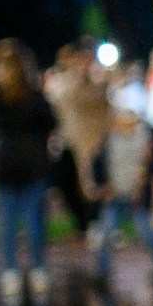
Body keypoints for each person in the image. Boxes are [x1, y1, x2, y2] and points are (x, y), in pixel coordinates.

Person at [0, 38, 59, 306]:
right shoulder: (34, 96)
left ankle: (10, 271)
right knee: (34, 219)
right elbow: (50, 123)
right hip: (33, 160)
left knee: (9, 220)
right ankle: (37, 269)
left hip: (6, 162)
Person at [92, 96, 153, 282]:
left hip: (136, 197)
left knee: (147, 233)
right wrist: (104, 187)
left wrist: (142, 188)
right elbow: (99, 165)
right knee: (105, 232)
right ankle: (102, 271)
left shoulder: (144, 141)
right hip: (115, 195)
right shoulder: (109, 141)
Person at [47, 44, 110, 245]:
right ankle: (84, 225)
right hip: (69, 142)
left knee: (91, 185)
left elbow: (99, 104)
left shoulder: (92, 81)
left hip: (90, 141)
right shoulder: (63, 82)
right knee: (70, 187)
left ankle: (95, 225)